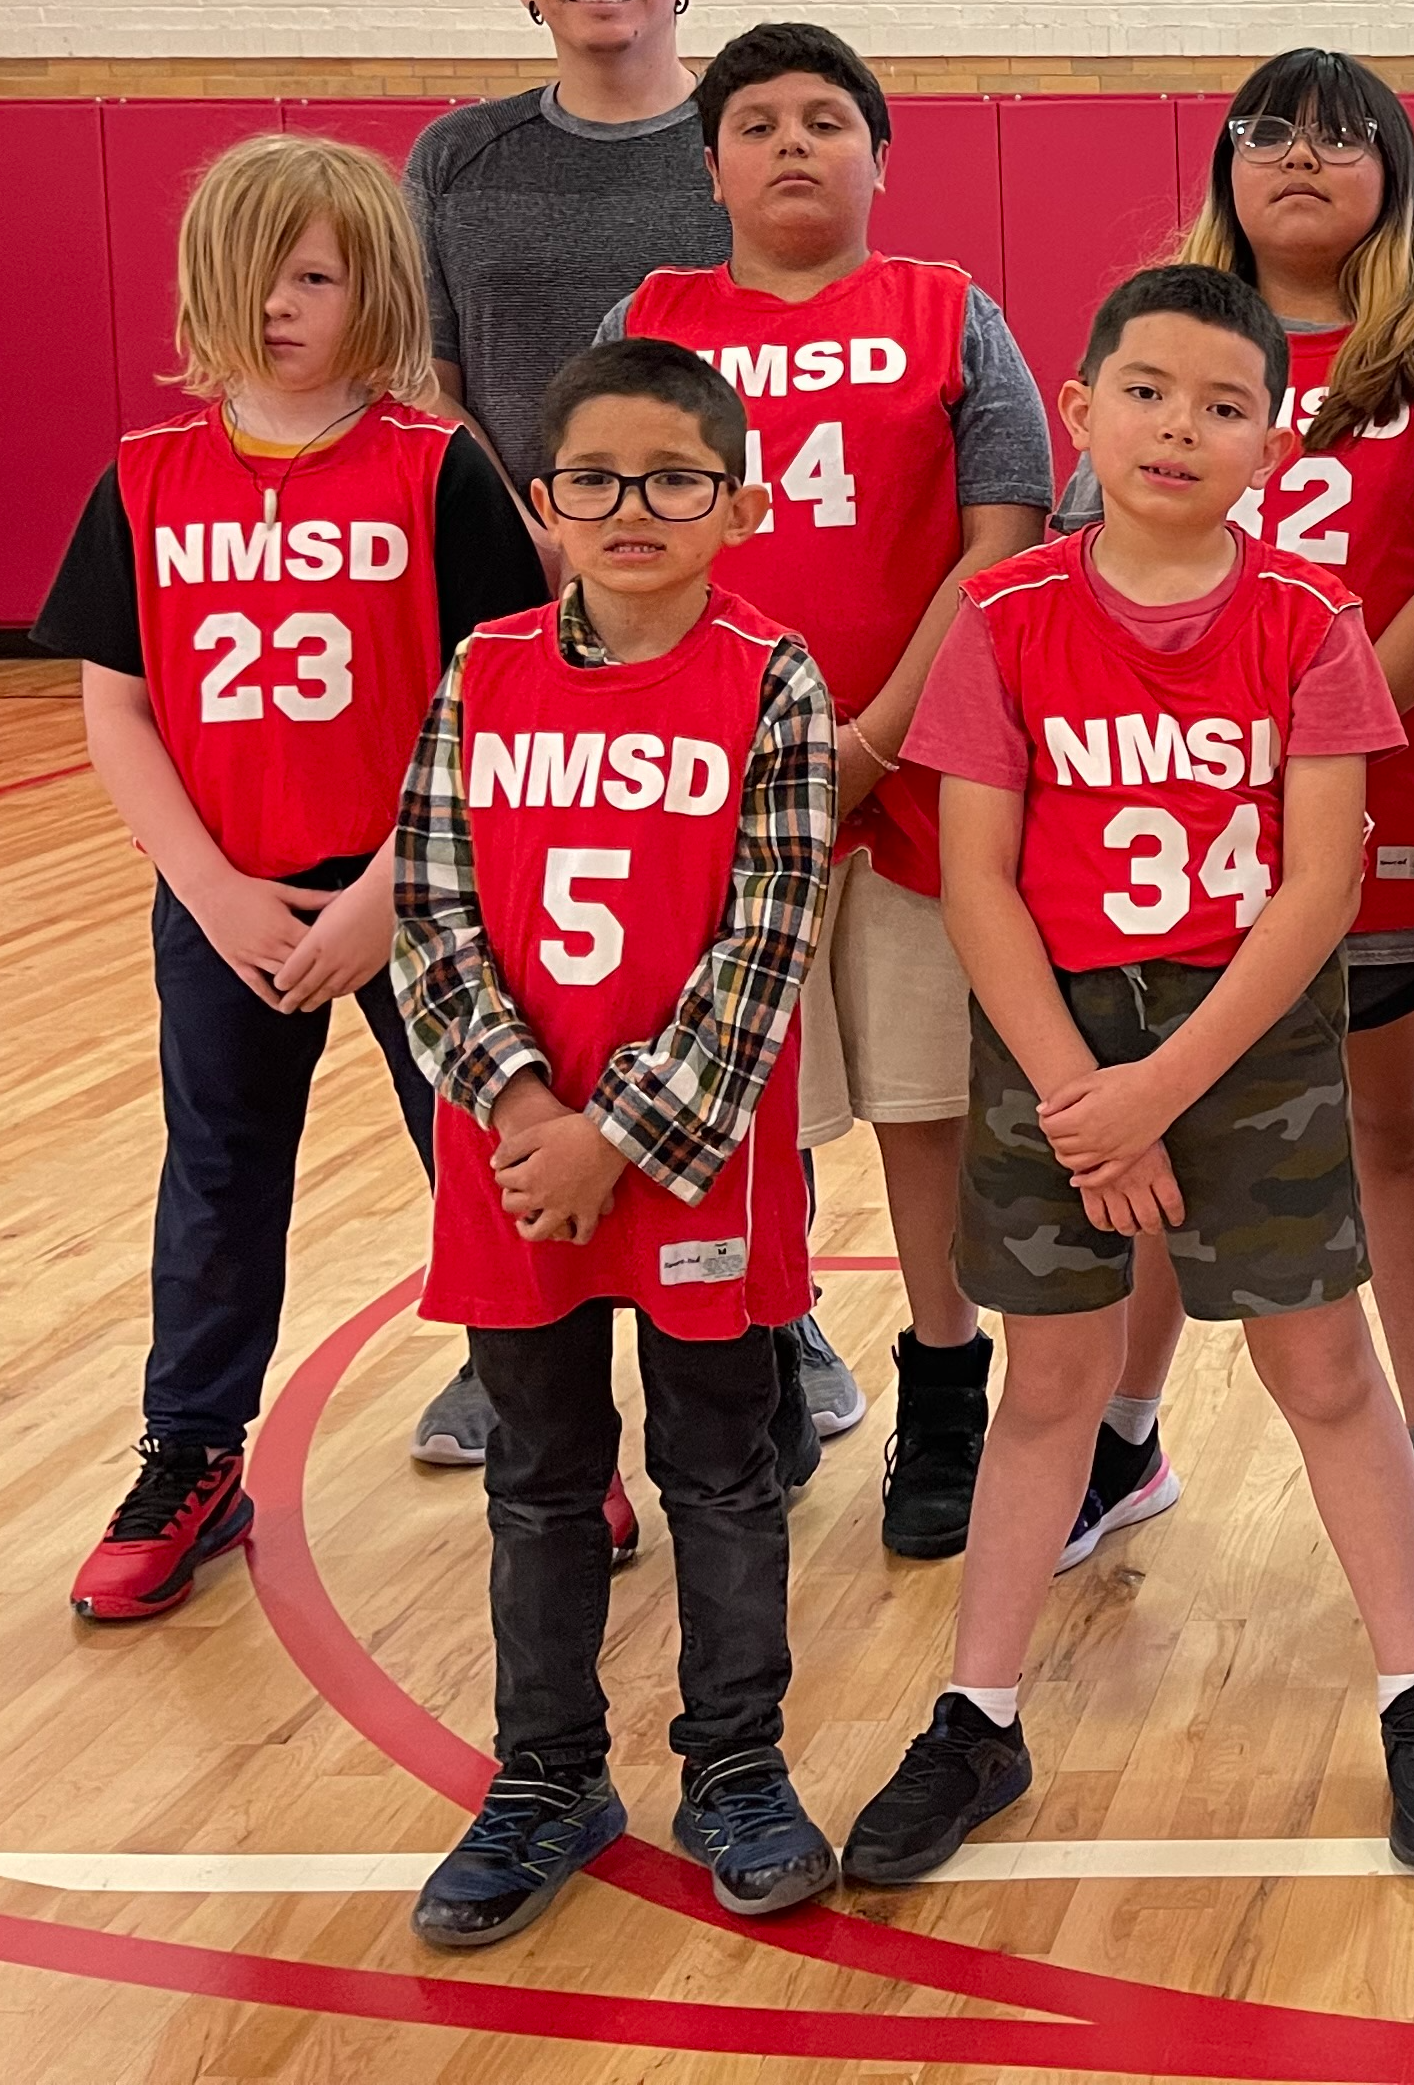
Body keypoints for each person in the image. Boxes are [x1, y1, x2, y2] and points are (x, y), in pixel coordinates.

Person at [842, 264, 1414, 1884]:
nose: (1179, 428)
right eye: (1146, 391)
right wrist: (1085, 1091)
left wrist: (1163, 1088)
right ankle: (977, 1714)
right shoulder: (1003, 621)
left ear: (1275, 446)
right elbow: (979, 880)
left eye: (1224, 406)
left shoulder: (1309, 622)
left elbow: (1323, 886)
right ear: (1077, 414)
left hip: (1242, 1033)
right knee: (1051, 1388)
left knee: (1325, 1374)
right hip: (1055, 1040)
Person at [40, 133, 550, 1621]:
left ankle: (550, 1437)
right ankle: (192, 1453)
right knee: (213, 1181)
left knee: (478, 1163)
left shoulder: (438, 470)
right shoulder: (145, 478)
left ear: (372, 288)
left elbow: (499, 697)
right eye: (253, 273)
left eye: (314, 275)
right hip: (226, 897)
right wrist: (207, 888)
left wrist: (390, 891)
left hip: (422, 897)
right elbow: (117, 703)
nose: (279, 303)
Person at [408, 0, 864, 1453]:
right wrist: (543, 525)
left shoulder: (737, 138)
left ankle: (776, 1300)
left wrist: (661, 534)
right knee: (524, 951)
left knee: (715, 946)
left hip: (717, 610)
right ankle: (513, 1293)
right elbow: (440, 378)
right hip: (531, 602)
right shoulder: (457, 161)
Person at [1058, 54, 1414, 1589]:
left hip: (1371, 798)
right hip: (1166, 807)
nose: (1304, 160)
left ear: (1394, 170)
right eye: (1272, 134)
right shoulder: (1167, 327)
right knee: (1153, 1124)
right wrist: (1202, 744)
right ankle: (1122, 1436)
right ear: (1226, 165)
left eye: (1342, 139)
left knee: (1390, 1126)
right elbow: (1085, 553)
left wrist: (1303, 739)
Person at [394, 338, 841, 1949]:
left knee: (724, 1471)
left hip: (693, 1160)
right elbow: (428, 910)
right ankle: (545, 1779)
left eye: (674, 478)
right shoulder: (482, 669)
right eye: (596, 479)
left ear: (740, 501)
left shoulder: (775, 679)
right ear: (544, 504)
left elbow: (768, 943)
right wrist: (526, 1113)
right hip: (516, 1164)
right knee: (537, 1478)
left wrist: (620, 1137)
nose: (633, 507)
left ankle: (735, 1765)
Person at [608, 23, 1054, 1561]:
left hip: (916, 774)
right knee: (751, 1114)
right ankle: (768, 1364)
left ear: (879, 153)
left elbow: (1002, 543)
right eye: (757, 123)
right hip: (713, 790)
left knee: (928, 1106)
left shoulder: (950, 313)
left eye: (826, 119)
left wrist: (863, 740)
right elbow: (613, 540)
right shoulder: (655, 319)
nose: (793, 144)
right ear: (710, 162)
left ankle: (944, 1384)